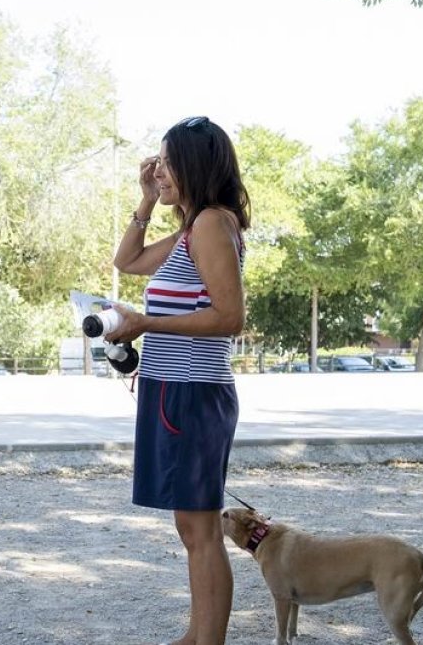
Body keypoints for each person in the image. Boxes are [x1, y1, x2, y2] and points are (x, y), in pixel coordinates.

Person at [106, 116, 251, 645]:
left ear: (193, 165)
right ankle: (198, 635)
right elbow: (128, 261)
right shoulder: (194, 227)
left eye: (166, 163)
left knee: (200, 530)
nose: (159, 171)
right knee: (193, 528)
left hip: (191, 392)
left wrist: (146, 323)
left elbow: (229, 317)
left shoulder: (212, 223)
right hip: (174, 390)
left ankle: (207, 641)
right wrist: (145, 201)